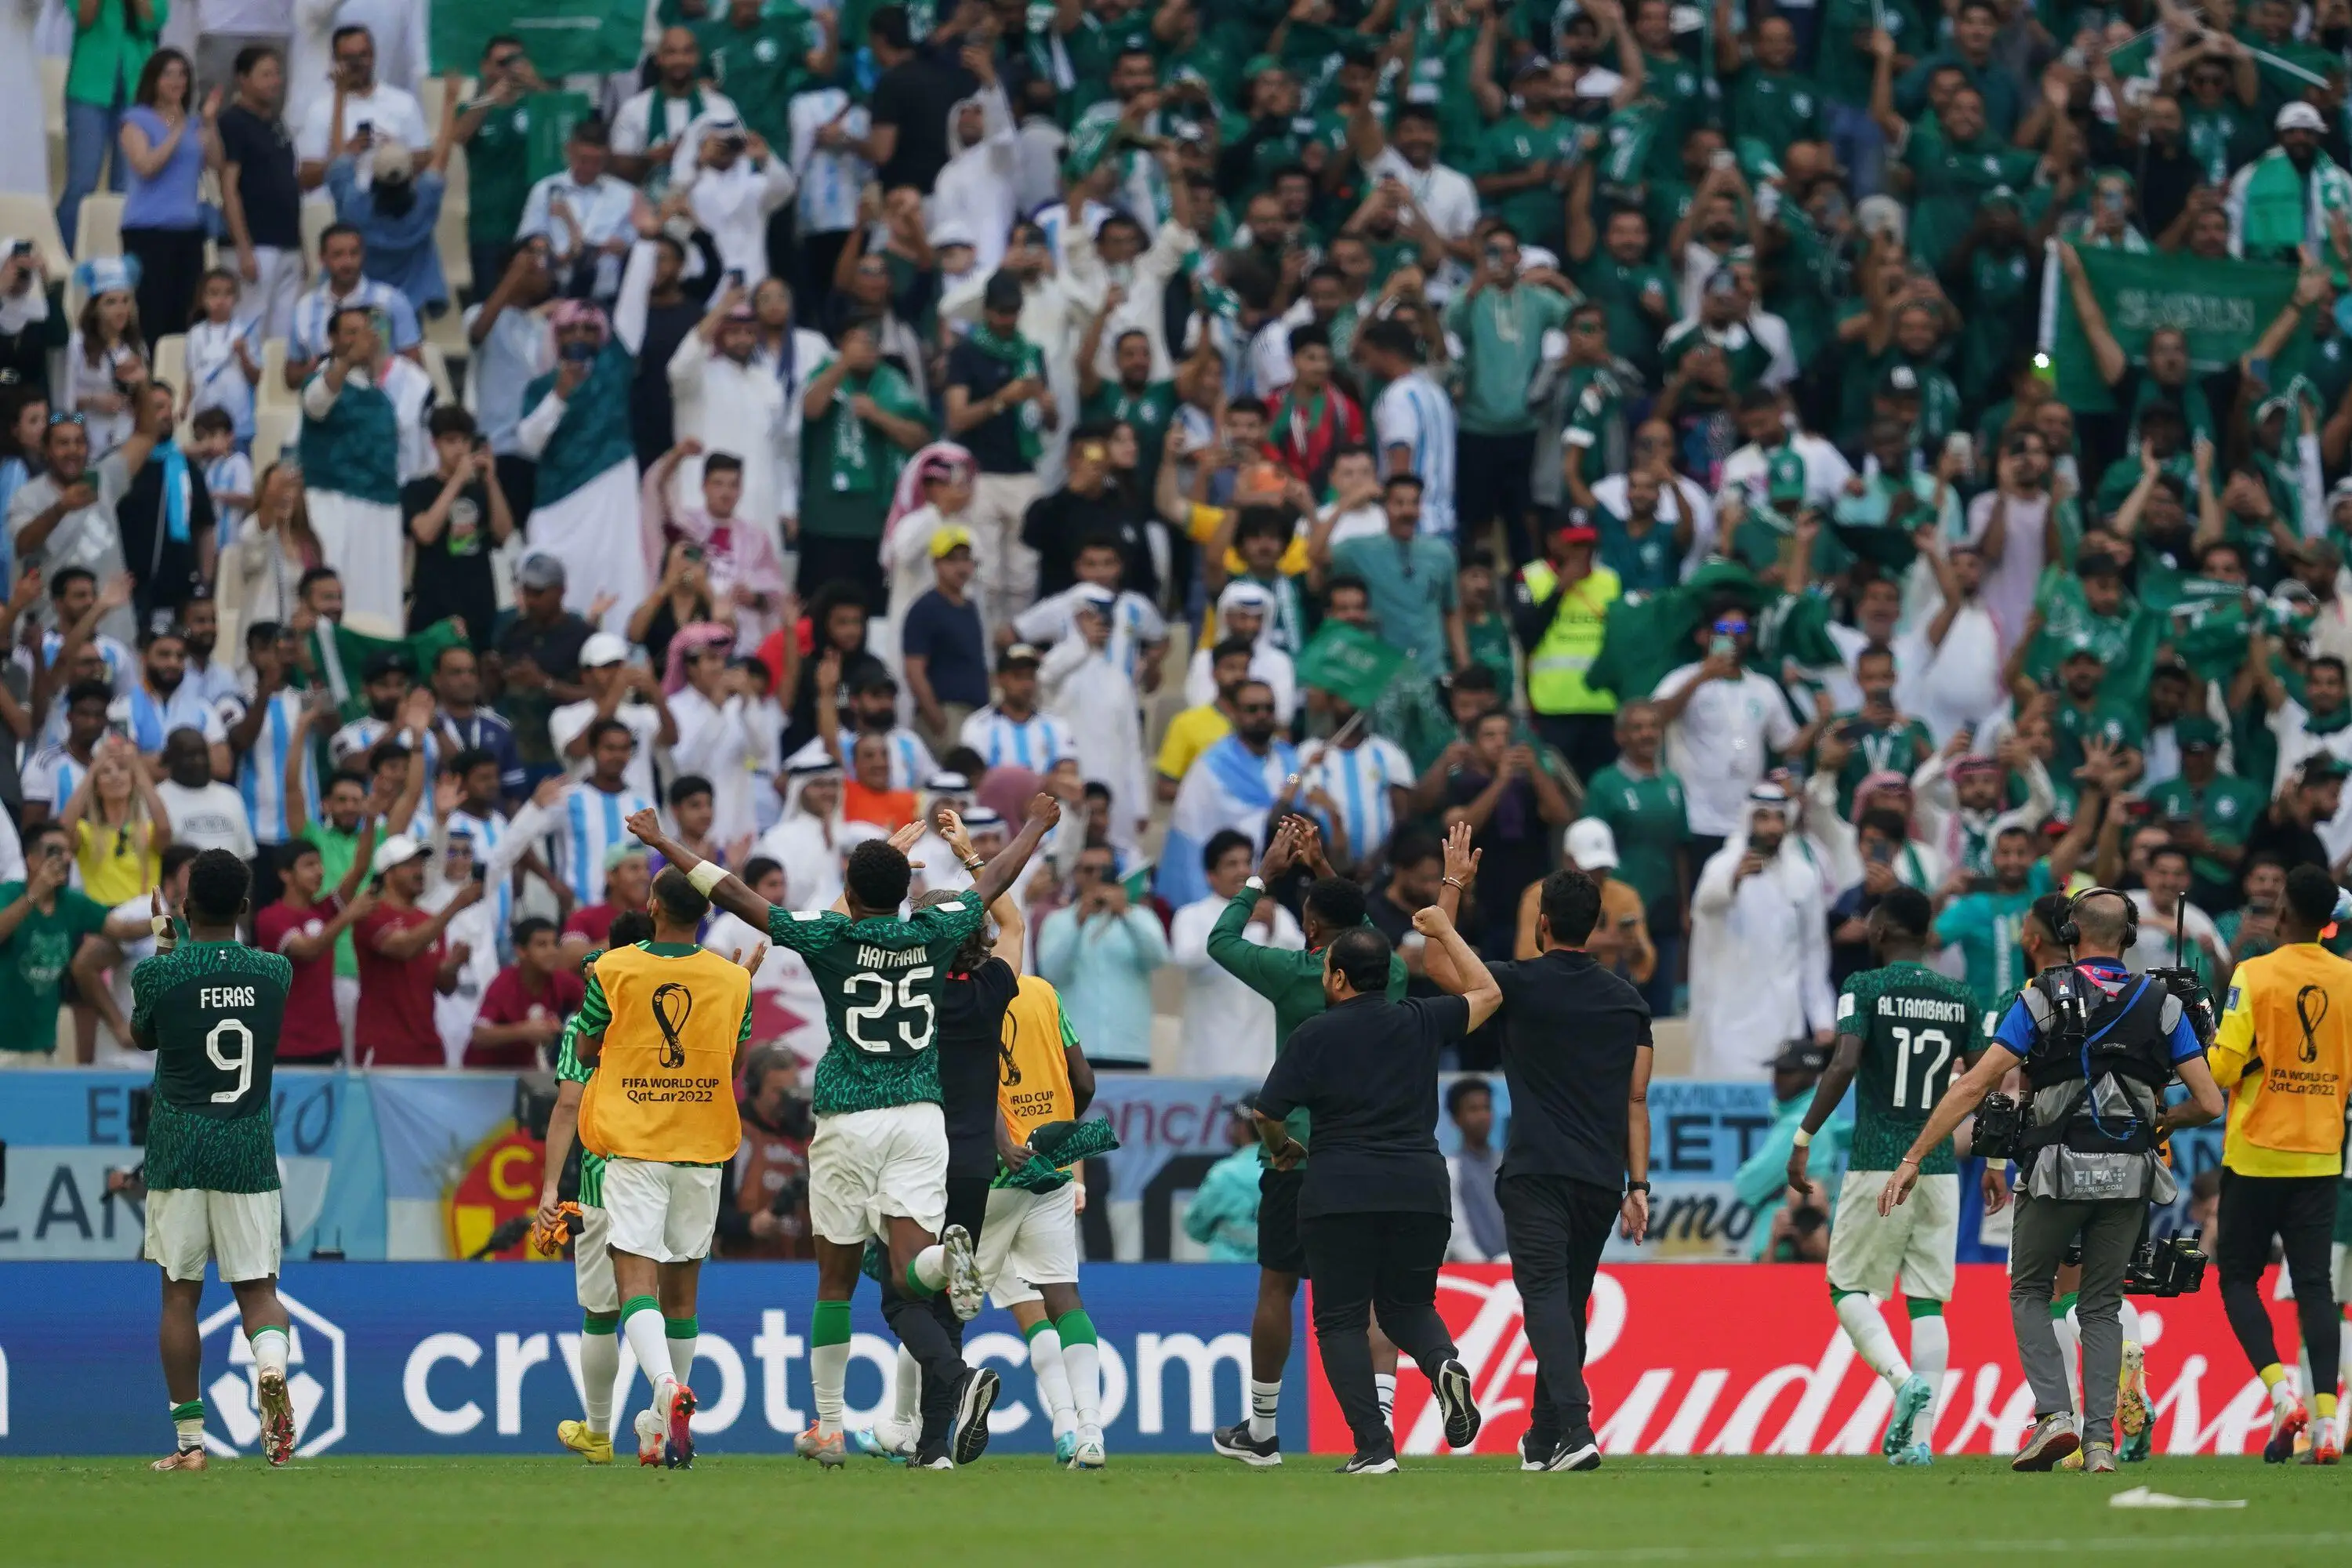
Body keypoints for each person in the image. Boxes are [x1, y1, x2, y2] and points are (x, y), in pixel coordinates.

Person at [620, 793, 1058, 1470]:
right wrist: (1034, 823)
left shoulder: (830, 937)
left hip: (849, 1119)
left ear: (849, 894)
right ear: (904, 890)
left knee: (836, 1279)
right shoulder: (935, 929)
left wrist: (666, 844)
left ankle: (828, 1426)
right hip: (920, 1117)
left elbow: (734, 894)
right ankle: (951, 1261)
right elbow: (994, 879)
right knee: (914, 1269)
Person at [1880, 887, 2225, 1473]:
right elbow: (2211, 1102)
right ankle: (2098, 1446)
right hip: (2131, 1175)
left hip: (2055, 1172)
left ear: (2070, 935)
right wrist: (2157, 1118)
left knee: (2029, 1290)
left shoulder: (2042, 995)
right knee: (2101, 1306)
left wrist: (1914, 1155)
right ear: (2131, 936)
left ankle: (2053, 1417)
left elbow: (1975, 1085)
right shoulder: (2163, 1002)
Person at [1427, 829, 1651, 1472]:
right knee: (1568, 1305)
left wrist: (1454, 887)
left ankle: (1577, 1428)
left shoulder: (1516, 983)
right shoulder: (1629, 1003)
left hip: (1535, 1173)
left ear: (1543, 923)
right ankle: (1543, 1436)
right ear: (1595, 924)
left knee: (1547, 1299)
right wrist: (1639, 1187)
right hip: (1600, 1178)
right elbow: (1637, 1101)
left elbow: (1438, 965)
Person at [1255, 909, 1491, 1474]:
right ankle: (1442, 1366)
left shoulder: (1314, 1033)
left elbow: (1267, 1111)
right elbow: (1488, 991)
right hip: (1421, 1187)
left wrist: (1283, 1145)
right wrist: (1444, 929)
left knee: (1339, 1318)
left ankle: (1373, 1446)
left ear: (1337, 978)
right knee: (1409, 1305)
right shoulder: (1422, 1019)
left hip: (1341, 1190)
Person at [1209, 817, 1408, 1466]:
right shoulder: (1391, 977)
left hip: (1295, 1154)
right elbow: (1375, 944)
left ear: (1312, 928)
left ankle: (1263, 1432)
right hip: (1371, 1154)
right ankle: (1378, 1428)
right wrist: (1327, 872)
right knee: (1374, 1296)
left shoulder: (1293, 975)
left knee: (1277, 1288)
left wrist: (1264, 871)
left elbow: (1220, 939)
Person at [1783, 886, 1976, 1467]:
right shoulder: (1961, 997)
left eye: (1872, 922)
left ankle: (1899, 1381)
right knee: (1927, 1305)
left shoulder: (1863, 987)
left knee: (1845, 1287)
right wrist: (1991, 1160)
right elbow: (1984, 1079)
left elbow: (1843, 1062)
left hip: (1878, 1160)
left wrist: (1804, 1137)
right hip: (1939, 1165)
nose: (1867, 930)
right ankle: (1921, 1442)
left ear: (1886, 929)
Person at [572, 868, 756, 1469]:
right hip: (703, 1150)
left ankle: (668, 1391)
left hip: (635, 1145)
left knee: (633, 1286)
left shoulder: (613, 968)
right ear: (704, 915)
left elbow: (583, 1049)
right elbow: (735, 1057)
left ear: (651, 905)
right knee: (683, 1293)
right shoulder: (734, 981)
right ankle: (660, 1428)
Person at [133, 849, 299, 1471]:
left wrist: (163, 945)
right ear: (245, 908)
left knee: (179, 1297)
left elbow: (143, 1034)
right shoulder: (274, 971)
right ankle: (272, 1370)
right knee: (258, 1291)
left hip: (179, 1150)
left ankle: (190, 1445)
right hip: (247, 1150)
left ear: (183, 906)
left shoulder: (160, 974)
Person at [2206, 864, 2352, 1465]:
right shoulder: (2349, 979)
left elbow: (2219, 1069)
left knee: (2238, 1278)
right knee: (2317, 1288)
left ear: (2286, 912)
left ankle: (2278, 1390)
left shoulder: (2254, 972)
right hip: (2321, 1153)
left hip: (2256, 1151)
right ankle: (2324, 1422)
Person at [533, 908, 657, 1466]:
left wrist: (547, 1190)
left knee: (602, 1311)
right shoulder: (684, 1005)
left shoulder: (594, 1008)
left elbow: (567, 1103)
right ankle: (661, 1423)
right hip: (675, 1167)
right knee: (668, 1301)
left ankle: (600, 1431)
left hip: (604, 1178)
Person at [1689, 785, 1835, 1080]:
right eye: (1763, 818)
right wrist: (1734, 880)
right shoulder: (1722, 867)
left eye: (1779, 818)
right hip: (1728, 1018)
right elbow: (1704, 904)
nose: (1772, 827)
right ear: (1748, 820)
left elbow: (1813, 953)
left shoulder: (1803, 876)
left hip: (1784, 1017)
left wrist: (1822, 1018)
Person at [1170, 829, 1301, 1079]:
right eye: (1232, 864)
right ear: (1210, 875)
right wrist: (1236, 924)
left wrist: (1273, 931)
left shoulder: (1276, 914)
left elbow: (1300, 963)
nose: (1242, 871)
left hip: (1263, 1053)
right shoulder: (1192, 915)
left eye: (1247, 862)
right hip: (1208, 1053)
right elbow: (1185, 958)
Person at [353, 831, 484, 1067]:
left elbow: (444, 987)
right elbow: (404, 947)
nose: (419, 870)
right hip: (383, 1048)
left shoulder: (428, 920)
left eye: (421, 864)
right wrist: (455, 905)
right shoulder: (371, 912)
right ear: (388, 873)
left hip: (428, 1048)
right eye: (410, 865)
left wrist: (453, 965)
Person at [1036, 842, 1168, 1071]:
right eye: (1088, 870)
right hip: (1077, 1050)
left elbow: (1158, 958)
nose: (1096, 877)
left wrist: (1125, 913)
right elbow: (1050, 972)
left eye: (1104, 870)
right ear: (1075, 874)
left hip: (1130, 1049)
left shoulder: (1141, 916)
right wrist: (1079, 921)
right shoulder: (1059, 921)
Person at [0, 820, 119, 1064]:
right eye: (54, 851)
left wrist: (164, 916)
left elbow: (120, 929)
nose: (65, 859)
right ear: (31, 860)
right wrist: (35, 893)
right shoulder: (9, 893)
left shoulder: (71, 902)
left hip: (43, 1047)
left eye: (68, 852)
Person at [467, 916, 582, 1071]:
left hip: (527, 1073)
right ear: (521, 951)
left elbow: (593, 1005)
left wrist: (569, 1026)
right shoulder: (504, 983)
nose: (552, 951)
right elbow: (480, 1036)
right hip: (487, 1076)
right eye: (542, 945)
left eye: (555, 944)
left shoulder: (562, 980)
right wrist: (525, 1031)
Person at [1444, 1078, 1508, 1265]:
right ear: (1456, 1118)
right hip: (1473, 1270)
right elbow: (1457, 1234)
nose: (1482, 1115)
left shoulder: (1509, 1164)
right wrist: (1486, 1268)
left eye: (1486, 1108)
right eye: (1473, 1109)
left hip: (1514, 1270)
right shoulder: (1451, 1169)